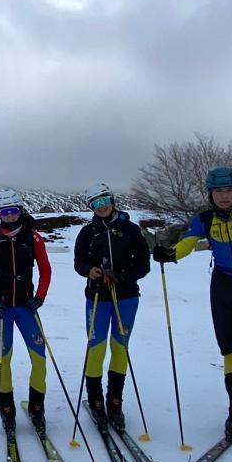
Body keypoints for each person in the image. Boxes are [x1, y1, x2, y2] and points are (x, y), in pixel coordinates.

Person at [152, 167, 232, 441]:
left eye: (229, 191)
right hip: (223, 286)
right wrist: (170, 254)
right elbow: (188, 242)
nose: (224, 196)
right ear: (211, 194)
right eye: (218, 191)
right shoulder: (205, 219)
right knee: (230, 350)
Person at [72, 183, 151, 432]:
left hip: (126, 297)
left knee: (120, 347)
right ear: (91, 208)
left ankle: (114, 402)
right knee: (96, 348)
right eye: (95, 203)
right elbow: (78, 262)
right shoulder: (87, 232)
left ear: (112, 199)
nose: (101, 206)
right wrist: (90, 271)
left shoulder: (130, 230)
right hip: (97, 297)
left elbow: (143, 265)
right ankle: (96, 402)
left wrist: (122, 275)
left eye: (104, 200)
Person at [0, 189, 52, 435]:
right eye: (4, 212)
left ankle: (37, 407)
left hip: (26, 307)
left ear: (21, 210)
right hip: (1, 309)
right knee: (4, 359)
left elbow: (45, 270)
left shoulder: (34, 238)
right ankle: (7, 409)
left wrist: (39, 297)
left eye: (13, 211)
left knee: (39, 358)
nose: (9, 216)